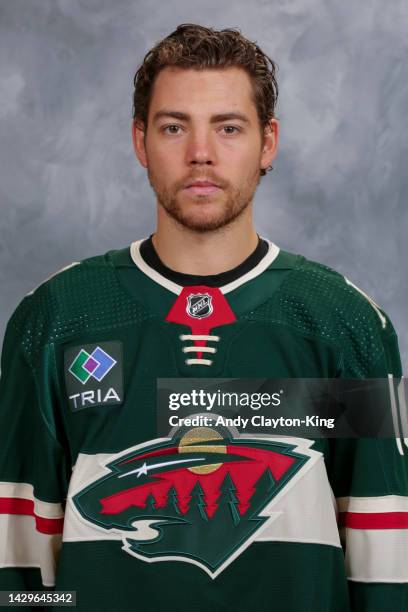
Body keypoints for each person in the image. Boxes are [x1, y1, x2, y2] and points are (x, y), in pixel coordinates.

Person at [0, 23, 407, 612]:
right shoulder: (57, 318)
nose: (201, 153)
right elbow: (18, 571)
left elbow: (385, 555)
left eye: (228, 127)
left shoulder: (348, 323)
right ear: (141, 141)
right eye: (173, 127)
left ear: (268, 143)